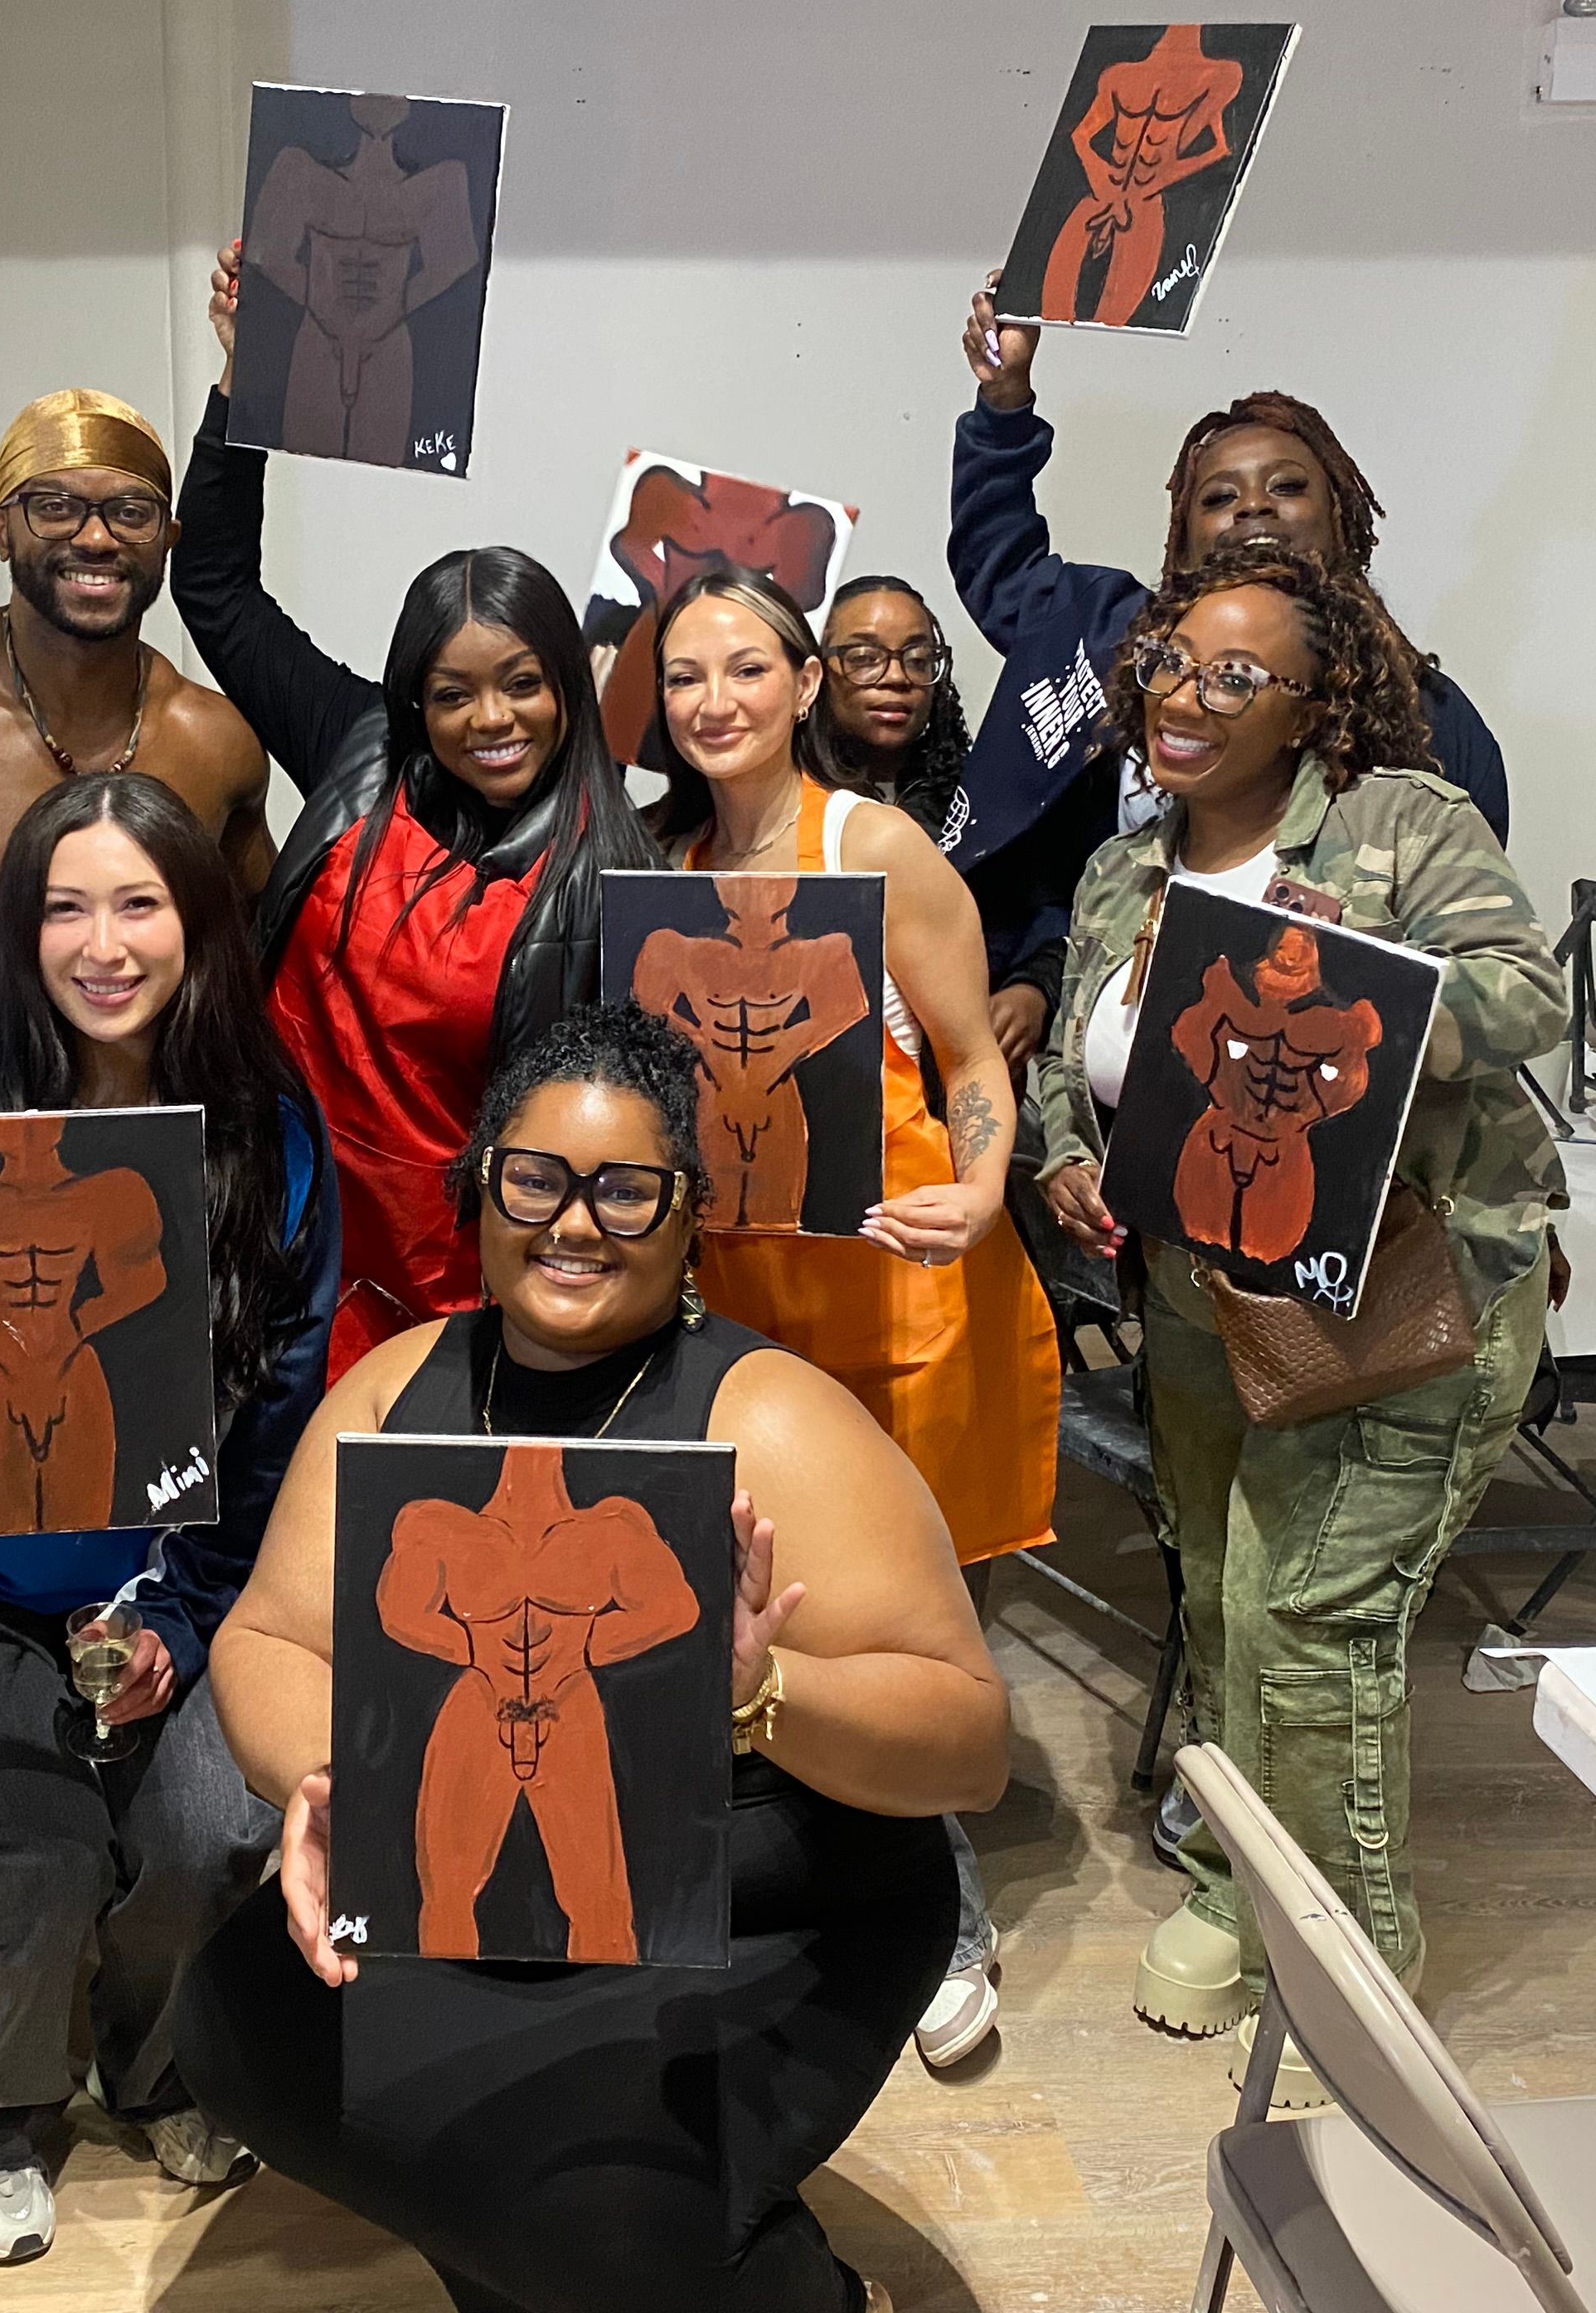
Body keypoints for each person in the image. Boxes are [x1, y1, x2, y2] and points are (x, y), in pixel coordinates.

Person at [172, 1005, 1009, 2313]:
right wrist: (334, 1779)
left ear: (688, 1218)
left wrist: (764, 1695)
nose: (574, 1223)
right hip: (470, 1881)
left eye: (625, 1190)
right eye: (536, 1181)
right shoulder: (394, 1391)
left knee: (597, 2203)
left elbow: (971, 1742)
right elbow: (271, 1632)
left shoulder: (775, 1421)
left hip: (764, 1907)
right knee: (245, 2026)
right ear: (481, 1191)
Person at [1026, 547, 1561, 2086]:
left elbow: (1525, 997)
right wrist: (1066, 1157)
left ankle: (1352, 1958)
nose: (1186, 697)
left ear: (1313, 707)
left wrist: (1352, 998)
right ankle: (1235, 1885)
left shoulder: (1402, 825)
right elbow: (1072, 1061)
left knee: (1309, 1622)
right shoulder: (1125, 870)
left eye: (1236, 676)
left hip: (1399, 1295)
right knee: (1217, 1598)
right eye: (1169, 662)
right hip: (1201, 1296)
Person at [0, 772, 337, 2263]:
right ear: (19, 930)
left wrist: (182, 1620)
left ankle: (160, 2061)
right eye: (64, 907)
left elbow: (273, 1433)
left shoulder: (273, 1141)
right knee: (30, 1838)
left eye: (139, 903)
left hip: (166, 1567)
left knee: (211, 1825)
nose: (103, 944)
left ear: (199, 923)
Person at [644, 565, 1056, 2077]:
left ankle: (938, 1903)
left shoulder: (871, 846)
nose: (716, 701)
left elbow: (971, 1060)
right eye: (686, 675)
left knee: (907, 1624)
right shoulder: (665, 869)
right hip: (753, 1312)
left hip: (905, 1287)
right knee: (777, 1612)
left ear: (804, 681)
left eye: (746, 667)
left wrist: (987, 1185)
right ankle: (809, 1879)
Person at [174, 243, 657, 1375]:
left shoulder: (622, 871)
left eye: (522, 684)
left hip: (470, 1287)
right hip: (280, 1240)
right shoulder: (360, 751)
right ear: (412, 700)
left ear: (567, 685)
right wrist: (248, 377)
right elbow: (216, 588)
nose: (491, 719)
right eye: (452, 693)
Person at [942, 272, 1512, 1078]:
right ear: (1183, 531)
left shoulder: (1420, 711)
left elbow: (1461, 937)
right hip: (1101, 1052)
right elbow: (998, 558)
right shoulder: (1113, 637)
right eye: (1219, 496)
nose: (1252, 507)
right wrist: (1004, 404)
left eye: (1287, 486)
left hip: (1296, 1071)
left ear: (1340, 514)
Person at [0, 388, 274, 967]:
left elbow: (256, 952)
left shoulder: (216, 744)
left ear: (167, 541)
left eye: (131, 513)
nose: (95, 539)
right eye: (54, 508)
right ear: (2, 530)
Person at [808, 573, 972, 839]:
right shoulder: (782, 802)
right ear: (817, 672)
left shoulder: (975, 796)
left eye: (918, 659)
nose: (897, 677)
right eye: (864, 657)